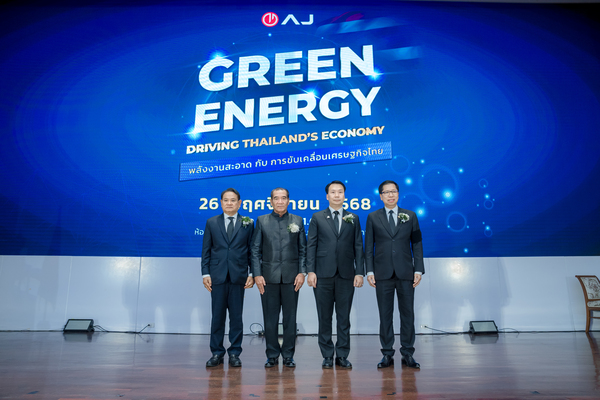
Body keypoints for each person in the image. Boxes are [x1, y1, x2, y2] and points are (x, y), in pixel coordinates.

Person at [365, 180, 424, 369]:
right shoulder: (373, 217)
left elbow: (417, 244)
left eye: (394, 191)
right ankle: (387, 353)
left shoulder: (410, 215)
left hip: (406, 272)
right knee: (385, 315)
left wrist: (418, 269)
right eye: (387, 192)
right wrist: (369, 270)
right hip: (382, 273)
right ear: (380, 196)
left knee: (408, 314)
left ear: (398, 194)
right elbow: (369, 246)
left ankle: (408, 353)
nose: (391, 195)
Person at [307, 180, 365, 369]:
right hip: (322, 274)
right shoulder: (317, 217)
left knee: (343, 317)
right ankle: (326, 355)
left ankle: (342, 355)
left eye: (340, 192)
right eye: (333, 192)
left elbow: (358, 246)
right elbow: (311, 245)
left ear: (344, 195)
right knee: (324, 317)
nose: (337, 195)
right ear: (327, 196)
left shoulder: (353, 218)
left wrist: (359, 272)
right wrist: (310, 271)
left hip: (346, 274)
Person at [251, 187, 307, 368]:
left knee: (290, 318)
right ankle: (272, 355)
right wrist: (257, 274)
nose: (280, 201)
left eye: (283, 198)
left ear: (288, 201)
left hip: (292, 278)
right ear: (271, 201)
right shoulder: (262, 221)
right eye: (276, 198)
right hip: (268, 278)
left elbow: (303, 250)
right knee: (270, 319)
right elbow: (255, 250)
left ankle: (289, 355)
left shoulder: (297, 220)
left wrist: (302, 272)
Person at [202, 188, 255, 368]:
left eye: (233, 200)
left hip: (238, 276)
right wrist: (205, 273)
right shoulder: (211, 222)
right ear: (221, 202)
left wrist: (251, 273)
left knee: (236, 317)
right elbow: (206, 250)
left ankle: (234, 352)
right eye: (226, 200)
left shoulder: (248, 223)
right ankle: (216, 352)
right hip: (217, 276)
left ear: (239, 203)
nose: (229, 203)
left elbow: (251, 250)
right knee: (217, 317)